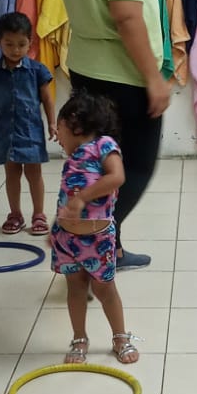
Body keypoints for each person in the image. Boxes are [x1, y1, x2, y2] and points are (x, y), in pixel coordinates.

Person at [52, 0, 170, 269]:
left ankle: (107, 247)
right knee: (133, 167)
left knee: (95, 163)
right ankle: (90, 243)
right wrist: (153, 77)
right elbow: (126, 16)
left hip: (86, 70)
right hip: (124, 77)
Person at [51, 92, 139, 366]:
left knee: (104, 289)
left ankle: (120, 337)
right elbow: (66, 198)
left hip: (97, 239)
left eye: (58, 127)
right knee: (75, 289)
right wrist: (56, 226)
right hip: (67, 239)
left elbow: (117, 177)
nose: (56, 136)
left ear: (75, 123)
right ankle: (79, 338)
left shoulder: (104, 145)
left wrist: (82, 198)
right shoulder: (73, 158)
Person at [0, 12, 56, 235]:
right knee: (11, 174)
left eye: (21, 44)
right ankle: (15, 215)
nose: (15, 50)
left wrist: (52, 123)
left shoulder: (37, 71)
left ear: (30, 42)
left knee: (34, 174)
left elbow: (47, 99)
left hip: (31, 133)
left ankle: (39, 214)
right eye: (9, 44)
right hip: (5, 133)